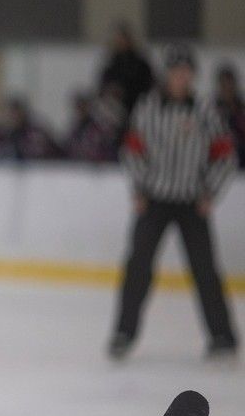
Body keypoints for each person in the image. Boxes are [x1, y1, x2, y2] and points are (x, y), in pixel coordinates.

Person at [108, 44, 239, 360]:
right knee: (138, 267)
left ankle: (222, 336)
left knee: (205, 271)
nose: (180, 78)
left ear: (192, 75)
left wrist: (210, 192)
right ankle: (124, 333)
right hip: (154, 200)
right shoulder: (148, 107)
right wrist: (139, 188)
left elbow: (225, 156)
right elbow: (133, 150)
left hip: (192, 202)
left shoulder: (205, 110)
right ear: (167, 76)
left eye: (185, 73)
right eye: (175, 73)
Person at [99, 21, 154, 118]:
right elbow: (103, 88)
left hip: (138, 111)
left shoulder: (141, 64)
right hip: (115, 113)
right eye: (118, 39)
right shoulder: (111, 64)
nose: (121, 42)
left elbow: (149, 86)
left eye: (123, 39)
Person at [213, 62, 245, 171]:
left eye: (229, 83)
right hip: (219, 160)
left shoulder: (240, 107)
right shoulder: (213, 108)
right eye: (224, 84)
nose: (227, 87)